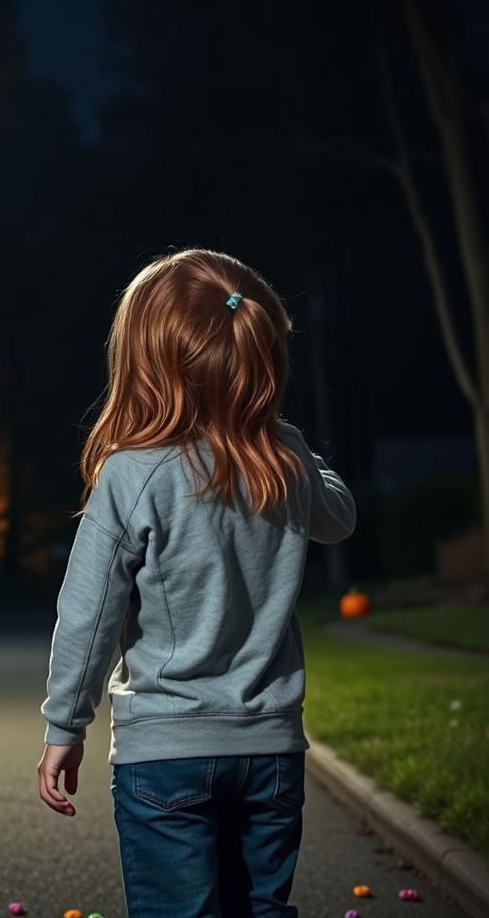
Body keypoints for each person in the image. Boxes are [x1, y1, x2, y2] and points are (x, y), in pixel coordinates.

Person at [36, 247, 356, 918]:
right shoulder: (286, 459)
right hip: (270, 749)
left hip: (165, 754)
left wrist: (67, 722)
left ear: (147, 361)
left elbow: (89, 613)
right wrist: (285, 439)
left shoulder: (133, 473)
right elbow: (340, 517)